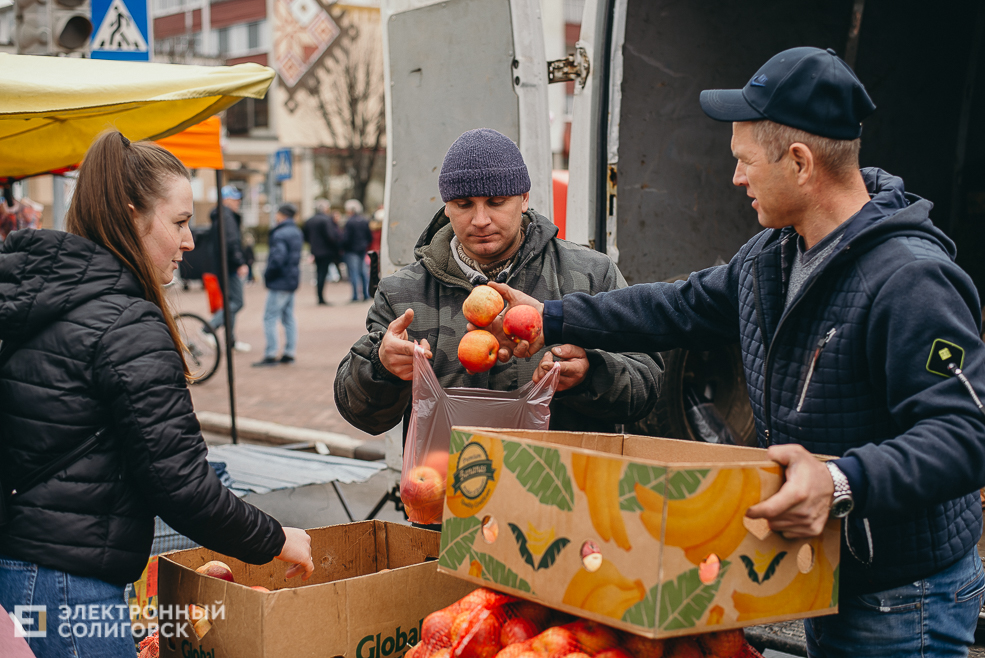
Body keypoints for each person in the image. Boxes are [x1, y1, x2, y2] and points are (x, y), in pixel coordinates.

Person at [494, 47, 985, 656]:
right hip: (827, 577)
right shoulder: (773, 255)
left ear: (800, 163)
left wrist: (838, 482)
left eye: (745, 161)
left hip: (903, 598)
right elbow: (675, 307)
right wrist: (550, 316)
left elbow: (965, 435)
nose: (735, 177)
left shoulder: (911, 280)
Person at [0, 131, 314, 658]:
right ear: (131, 217)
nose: (190, 241)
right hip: (71, 588)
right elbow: (181, 484)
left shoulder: (48, 298)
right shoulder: (125, 322)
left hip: (26, 571)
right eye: (180, 222)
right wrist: (275, 538)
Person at [334, 128, 662, 443]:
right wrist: (382, 365)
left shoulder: (590, 274)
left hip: (562, 489)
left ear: (523, 199)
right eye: (464, 204)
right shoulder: (403, 293)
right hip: (449, 489)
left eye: (496, 201)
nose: (480, 220)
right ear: (447, 207)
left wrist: (591, 374)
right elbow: (361, 414)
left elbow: (646, 386)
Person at [253, 203, 303, 367]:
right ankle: (290, 351)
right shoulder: (296, 231)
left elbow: (277, 258)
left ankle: (271, 353)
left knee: (270, 317)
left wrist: (267, 274)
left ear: (281, 215)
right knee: (288, 317)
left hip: (280, 281)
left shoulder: (280, 233)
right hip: (291, 279)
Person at [208, 184, 251, 352]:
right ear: (225, 199)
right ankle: (209, 327)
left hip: (224, 265)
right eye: (235, 199)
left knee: (231, 301)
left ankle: (230, 340)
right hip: (229, 266)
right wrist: (240, 262)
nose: (238, 202)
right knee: (236, 302)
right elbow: (232, 242)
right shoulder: (226, 217)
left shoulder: (221, 216)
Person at [303, 199, 342, 305]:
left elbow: (305, 236)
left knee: (319, 273)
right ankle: (321, 297)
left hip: (315, 250)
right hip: (326, 251)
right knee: (322, 274)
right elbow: (331, 236)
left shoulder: (309, 220)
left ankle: (319, 296)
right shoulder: (326, 220)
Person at [341, 198, 372, 302]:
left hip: (351, 250)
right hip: (362, 249)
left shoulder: (349, 222)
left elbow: (346, 238)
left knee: (354, 273)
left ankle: (355, 295)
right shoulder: (364, 220)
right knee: (363, 272)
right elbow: (369, 236)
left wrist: (343, 247)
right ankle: (366, 294)